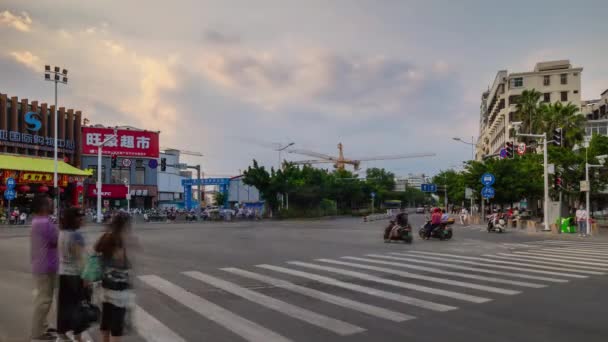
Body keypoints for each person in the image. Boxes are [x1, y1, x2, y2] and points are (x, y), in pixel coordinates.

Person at [95, 213, 134, 342]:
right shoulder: (118, 240)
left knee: (106, 321)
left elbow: (98, 254)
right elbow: (119, 261)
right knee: (116, 327)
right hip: (118, 288)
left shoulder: (105, 236)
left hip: (106, 285)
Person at [56, 208, 87, 342]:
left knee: (64, 306)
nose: (82, 221)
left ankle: (62, 335)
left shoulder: (61, 233)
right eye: (80, 218)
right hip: (75, 275)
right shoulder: (76, 236)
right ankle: (78, 338)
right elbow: (80, 258)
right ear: (74, 220)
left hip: (62, 274)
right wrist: (86, 276)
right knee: (77, 307)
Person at [30, 194, 58, 341]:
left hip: (40, 265)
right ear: (43, 207)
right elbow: (55, 240)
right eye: (50, 203)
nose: (52, 205)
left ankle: (42, 326)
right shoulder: (45, 223)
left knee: (42, 299)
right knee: (44, 301)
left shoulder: (37, 221)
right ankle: (37, 333)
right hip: (46, 266)